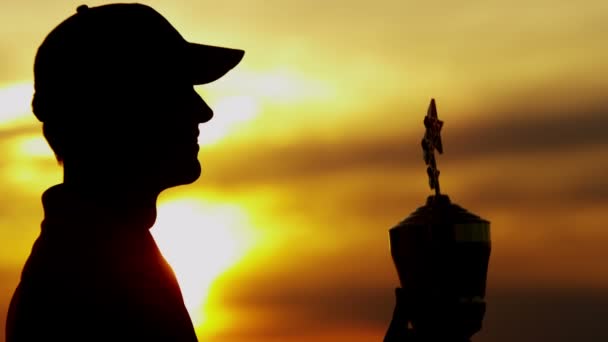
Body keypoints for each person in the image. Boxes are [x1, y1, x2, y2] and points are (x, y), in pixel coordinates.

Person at [5, 3, 244, 341]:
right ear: (119, 108)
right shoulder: (88, 281)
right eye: (175, 91)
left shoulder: (113, 256)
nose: (202, 111)